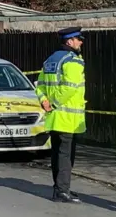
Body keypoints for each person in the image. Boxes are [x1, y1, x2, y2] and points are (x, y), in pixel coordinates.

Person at [35, 27, 86, 203]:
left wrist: (45, 102)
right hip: (67, 117)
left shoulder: (51, 59)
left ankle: (59, 188)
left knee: (57, 153)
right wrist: (55, 103)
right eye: (78, 39)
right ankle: (63, 191)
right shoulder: (72, 61)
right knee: (65, 155)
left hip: (53, 116)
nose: (81, 42)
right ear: (70, 41)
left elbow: (39, 84)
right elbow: (70, 87)